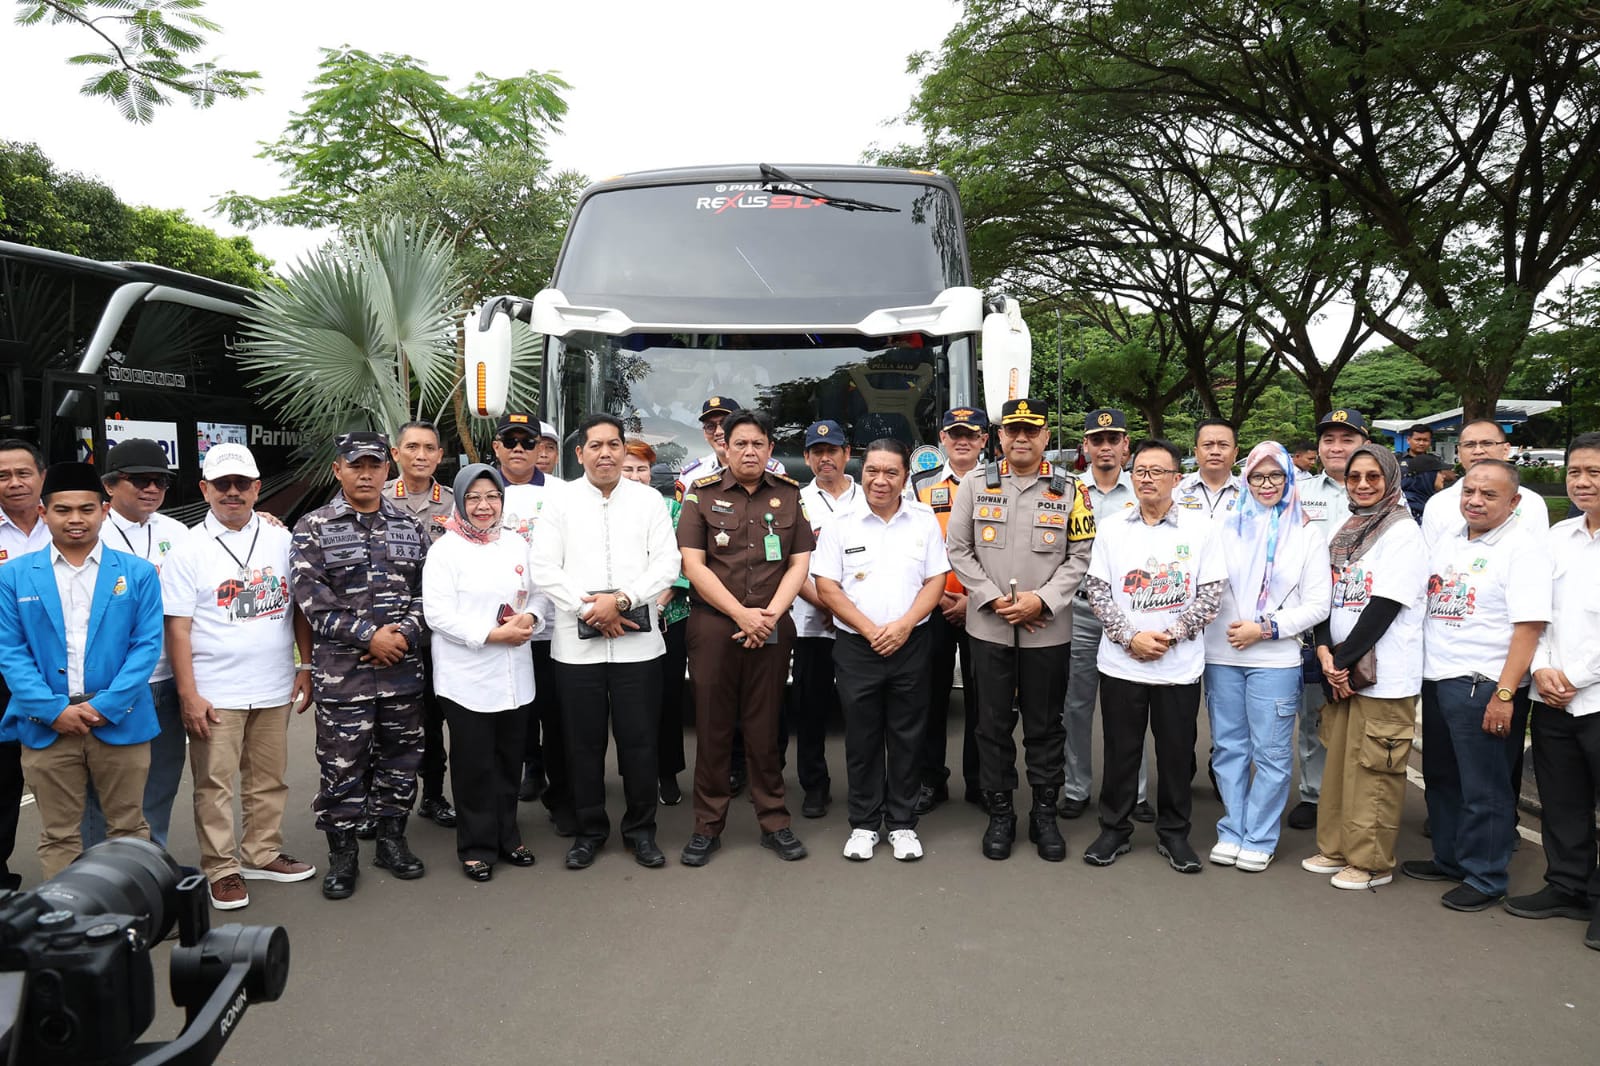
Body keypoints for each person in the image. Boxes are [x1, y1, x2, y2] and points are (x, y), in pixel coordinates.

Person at [162, 443, 317, 909]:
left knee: (269, 778)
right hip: (216, 690)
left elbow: (299, 611)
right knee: (214, 784)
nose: (232, 493)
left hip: (273, 683)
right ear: (204, 489)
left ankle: (261, 852)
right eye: (222, 485)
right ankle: (222, 868)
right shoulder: (188, 549)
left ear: (256, 488)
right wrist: (188, 694)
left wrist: (305, 666)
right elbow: (178, 629)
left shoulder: (282, 539)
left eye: (242, 484)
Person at [528, 414, 680, 870]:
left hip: (639, 647)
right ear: (580, 454)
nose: (606, 453)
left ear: (623, 449)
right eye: (595, 446)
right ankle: (589, 831)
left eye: (614, 444)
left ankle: (641, 831)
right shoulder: (559, 502)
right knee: (582, 744)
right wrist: (592, 609)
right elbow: (544, 567)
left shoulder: (649, 500)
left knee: (639, 743)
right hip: (577, 650)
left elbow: (667, 563)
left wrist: (623, 600)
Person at [946, 398, 1094, 862]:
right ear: (1001, 437)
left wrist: (1040, 601)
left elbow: (1082, 556)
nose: (1022, 438)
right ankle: (1001, 813)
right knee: (991, 725)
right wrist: (992, 598)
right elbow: (958, 549)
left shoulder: (1071, 490)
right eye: (1013, 430)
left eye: (1031, 430)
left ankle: (1044, 815)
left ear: (1047, 436)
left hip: (1047, 630)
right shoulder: (974, 484)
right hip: (989, 627)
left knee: (1046, 726)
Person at [0, 462, 162, 879]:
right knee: (58, 834)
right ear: (43, 513)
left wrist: (107, 705)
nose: (75, 519)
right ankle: (70, 926)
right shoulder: (13, 577)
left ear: (104, 511)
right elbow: (10, 651)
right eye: (63, 510)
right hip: (46, 723)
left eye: (86, 509)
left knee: (129, 828)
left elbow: (146, 646)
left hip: (120, 718)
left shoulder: (138, 573)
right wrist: (52, 710)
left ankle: (136, 913)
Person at [291, 431, 430, 900]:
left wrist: (403, 635)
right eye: (356, 465)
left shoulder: (409, 526)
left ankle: (391, 839)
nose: (366, 473)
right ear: (339, 470)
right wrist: (370, 636)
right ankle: (343, 854)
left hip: (401, 672)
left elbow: (426, 593)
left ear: (387, 469)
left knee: (401, 760)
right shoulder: (313, 527)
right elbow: (312, 600)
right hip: (343, 677)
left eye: (373, 464)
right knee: (340, 765)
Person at [1405, 460, 1550, 910]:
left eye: (1489, 495)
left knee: (1483, 786)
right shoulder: (1448, 539)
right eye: (1470, 491)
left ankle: (1485, 876)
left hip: (1483, 683)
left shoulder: (1522, 549)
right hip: (1439, 676)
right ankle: (1450, 857)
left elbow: (1529, 628)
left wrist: (1505, 694)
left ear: (1514, 502)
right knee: (1442, 777)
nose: (1476, 501)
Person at [1080, 439, 1225, 873]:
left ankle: (1175, 834)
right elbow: (1098, 591)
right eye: (1140, 471)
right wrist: (1130, 638)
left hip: (1177, 665)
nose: (1147, 479)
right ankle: (1114, 829)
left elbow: (1211, 594)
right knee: (1122, 749)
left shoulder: (1201, 529)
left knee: (1177, 753)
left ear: (1177, 480)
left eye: (1157, 472)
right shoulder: (1113, 527)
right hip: (1122, 663)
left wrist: (1167, 635)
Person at [676, 409, 813, 866]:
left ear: (771, 449)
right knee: (713, 727)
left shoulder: (790, 496)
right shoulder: (701, 495)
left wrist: (769, 617)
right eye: (740, 444)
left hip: (772, 623)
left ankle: (774, 821)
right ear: (724, 448)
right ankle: (706, 827)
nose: (749, 452)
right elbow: (693, 565)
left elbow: (798, 564)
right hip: (715, 625)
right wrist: (742, 615)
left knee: (765, 726)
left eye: (758, 444)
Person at [814, 438, 949, 861]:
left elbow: (936, 581)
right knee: (863, 736)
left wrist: (904, 626)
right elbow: (826, 586)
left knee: (908, 735)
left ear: (905, 478)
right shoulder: (841, 522)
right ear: (862, 470)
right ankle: (865, 823)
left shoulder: (924, 520)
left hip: (911, 643)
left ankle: (903, 823)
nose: (881, 480)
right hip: (858, 645)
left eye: (891, 472)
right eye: (873, 470)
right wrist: (871, 629)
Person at [1303, 443, 1428, 891]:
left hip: (1384, 675)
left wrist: (1338, 660)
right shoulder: (1348, 529)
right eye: (1355, 477)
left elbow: (1384, 606)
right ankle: (1336, 847)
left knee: (1375, 771)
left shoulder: (1402, 533)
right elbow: (1324, 597)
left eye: (1373, 476)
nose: (1362, 484)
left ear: (1391, 478)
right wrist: (1324, 652)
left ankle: (1372, 861)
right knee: (1340, 763)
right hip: (1344, 668)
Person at [1202, 443, 1330, 872]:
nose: (1267, 484)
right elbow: (1208, 586)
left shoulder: (1306, 532)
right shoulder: (1224, 525)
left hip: (1274, 658)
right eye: (1258, 476)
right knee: (1228, 749)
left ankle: (1259, 835)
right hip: (1222, 655)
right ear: (1247, 479)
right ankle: (1232, 830)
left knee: (1272, 754)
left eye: (1276, 476)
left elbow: (1318, 604)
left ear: (1290, 478)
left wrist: (1266, 627)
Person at [421, 464, 542, 882]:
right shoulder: (445, 550)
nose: (484, 506)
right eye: (473, 498)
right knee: (474, 765)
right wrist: (491, 634)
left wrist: (531, 620)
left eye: (492, 496)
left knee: (509, 761)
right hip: (466, 677)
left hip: (514, 674)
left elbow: (539, 594)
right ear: (459, 501)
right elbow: (437, 614)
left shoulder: (516, 544)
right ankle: (476, 846)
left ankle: (508, 836)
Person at [1508, 432, 1600, 951]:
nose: (1582, 482)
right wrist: (1542, 670)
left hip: (1592, 694)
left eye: (1594, 472)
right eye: (1575, 472)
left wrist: (1575, 677)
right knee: (1563, 799)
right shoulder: (1557, 537)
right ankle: (1566, 884)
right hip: (1551, 695)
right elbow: (1533, 612)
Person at [81, 439, 190, 851]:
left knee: (161, 782)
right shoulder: (90, 529)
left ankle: (149, 865)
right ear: (109, 486)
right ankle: (99, 874)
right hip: (112, 685)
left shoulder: (177, 531)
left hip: (165, 679)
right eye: (141, 479)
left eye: (161, 481)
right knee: (105, 788)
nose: (152, 489)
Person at [1058, 408, 1151, 822]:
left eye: (1114, 439)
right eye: (1098, 440)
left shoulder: (1145, 488)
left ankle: (1136, 792)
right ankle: (1076, 788)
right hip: (1079, 610)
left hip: (1132, 612)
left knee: (1131, 705)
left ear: (1126, 445)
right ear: (1086, 447)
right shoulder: (1068, 490)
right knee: (1076, 704)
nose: (1106, 447)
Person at [1287, 407, 1369, 832]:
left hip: (1366, 618)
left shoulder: (1382, 494)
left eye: (1347, 439)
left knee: (1364, 713)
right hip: (1313, 620)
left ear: (1365, 443)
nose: (1336, 448)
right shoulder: (1299, 492)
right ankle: (1315, 794)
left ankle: (1355, 796)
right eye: (1329, 440)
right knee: (1315, 711)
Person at [909, 406, 989, 815]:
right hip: (934, 604)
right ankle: (929, 780)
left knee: (983, 700)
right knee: (930, 697)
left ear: (984, 441)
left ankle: (980, 782)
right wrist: (941, 597)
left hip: (985, 606)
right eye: (954, 434)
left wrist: (974, 600)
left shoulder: (999, 482)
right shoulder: (920, 486)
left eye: (971, 435)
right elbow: (912, 546)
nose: (962, 441)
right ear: (941, 438)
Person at [493, 412, 569, 830]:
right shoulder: (481, 491)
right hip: (505, 629)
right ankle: (528, 771)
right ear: (497, 448)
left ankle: (562, 797)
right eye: (511, 441)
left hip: (556, 624)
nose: (520, 449)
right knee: (514, 715)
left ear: (542, 448)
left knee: (558, 715)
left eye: (529, 442)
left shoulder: (564, 493)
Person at [382, 420, 456, 831]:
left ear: (440, 456)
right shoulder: (376, 496)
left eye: (429, 448)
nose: (421, 455)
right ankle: (381, 803)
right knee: (385, 724)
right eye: (412, 447)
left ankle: (433, 796)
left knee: (432, 719)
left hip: (438, 636)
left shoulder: (454, 504)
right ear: (396, 453)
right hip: (389, 634)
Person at [788, 419, 853, 819]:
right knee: (809, 710)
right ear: (808, 458)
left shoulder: (871, 496)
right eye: (817, 452)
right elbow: (788, 565)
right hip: (812, 623)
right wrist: (826, 605)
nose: (825, 459)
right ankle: (814, 786)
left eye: (833, 451)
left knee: (864, 710)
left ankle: (868, 783)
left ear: (847, 454)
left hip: (861, 624)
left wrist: (846, 610)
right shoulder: (793, 501)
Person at [621, 439, 691, 805]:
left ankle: (667, 772)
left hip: (668, 619)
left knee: (667, 698)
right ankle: (633, 773)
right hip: (619, 621)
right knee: (631, 703)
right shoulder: (607, 510)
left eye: (641, 469)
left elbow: (681, 569)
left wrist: (658, 607)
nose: (635, 476)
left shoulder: (672, 509)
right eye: (628, 469)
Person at [0, 439, 52, 890]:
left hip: (63, 670)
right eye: (3, 476)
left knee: (65, 769)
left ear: (41, 476)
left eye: (23, 473)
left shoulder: (71, 519)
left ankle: (86, 872)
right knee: (2, 777)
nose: (14, 483)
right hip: (3, 671)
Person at [1421, 419, 1549, 550]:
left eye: (1487, 443)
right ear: (1459, 452)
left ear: (1506, 450)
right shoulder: (1438, 504)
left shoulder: (1532, 503)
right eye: (1469, 444)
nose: (1478, 451)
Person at [673, 395, 787, 501]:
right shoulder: (691, 475)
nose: (718, 432)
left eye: (725, 424)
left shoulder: (772, 471)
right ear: (704, 433)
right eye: (710, 426)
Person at [1174, 419, 1241, 520]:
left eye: (1223, 445)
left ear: (1235, 452)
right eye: (1207, 445)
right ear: (1196, 452)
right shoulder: (1175, 488)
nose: (1215, 452)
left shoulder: (1249, 493)